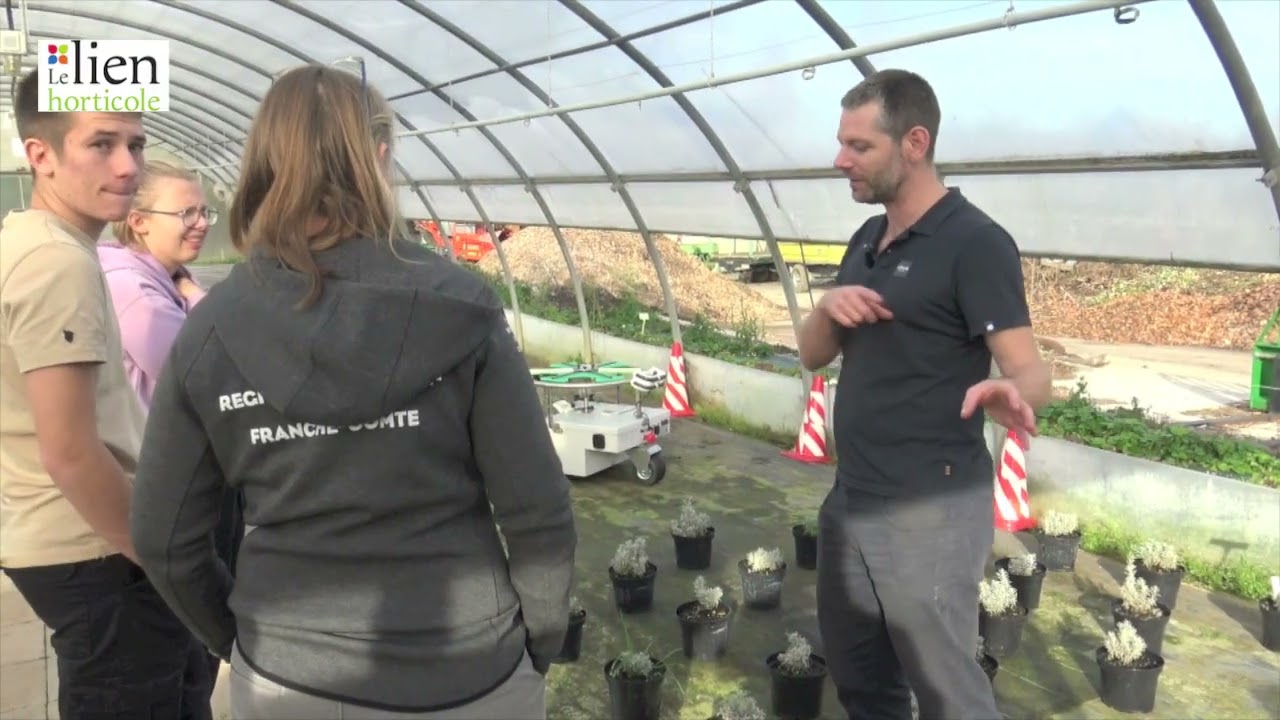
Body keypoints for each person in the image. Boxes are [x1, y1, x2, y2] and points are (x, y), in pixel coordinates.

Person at [128, 64, 578, 719]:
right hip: (471, 671)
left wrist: (242, 641)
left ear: (263, 165)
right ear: (381, 156)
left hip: (290, 677)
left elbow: (164, 538)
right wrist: (538, 641)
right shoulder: (462, 308)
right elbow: (538, 514)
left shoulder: (213, 330)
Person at [801, 69, 1051, 720]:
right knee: (860, 681)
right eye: (841, 143)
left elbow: (1031, 369)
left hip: (931, 511)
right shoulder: (865, 241)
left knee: (947, 692)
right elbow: (811, 354)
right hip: (851, 497)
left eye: (860, 146)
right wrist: (828, 306)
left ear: (914, 143)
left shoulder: (975, 243)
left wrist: (1013, 390)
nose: (840, 160)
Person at [0, 69, 214, 719]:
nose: (127, 166)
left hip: (67, 542)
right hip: (95, 552)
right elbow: (70, 450)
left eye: (136, 144)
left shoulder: (28, 242)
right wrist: (159, 557)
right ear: (41, 155)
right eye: (100, 145)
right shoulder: (57, 262)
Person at [98, 160, 246, 698]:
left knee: (187, 651)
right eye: (186, 212)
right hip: (174, 483)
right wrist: (195, 298)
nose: (202, 222)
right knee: (189, 639)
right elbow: (209, 370)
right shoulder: (134, 288)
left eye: (204, 210)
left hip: (173, 478)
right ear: (138, 221)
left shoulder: (154, 276)